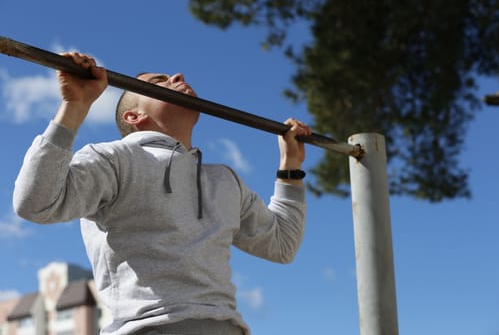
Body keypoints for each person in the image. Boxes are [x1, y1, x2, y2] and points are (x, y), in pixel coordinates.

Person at [13, 52, 311, 335]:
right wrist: (74, 107)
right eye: (159, 81)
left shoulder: (224, 180)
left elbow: (282, 245)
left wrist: (291, 165)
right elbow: (35, 203)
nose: (178, 75)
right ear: (133, 116)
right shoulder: (113, 159)